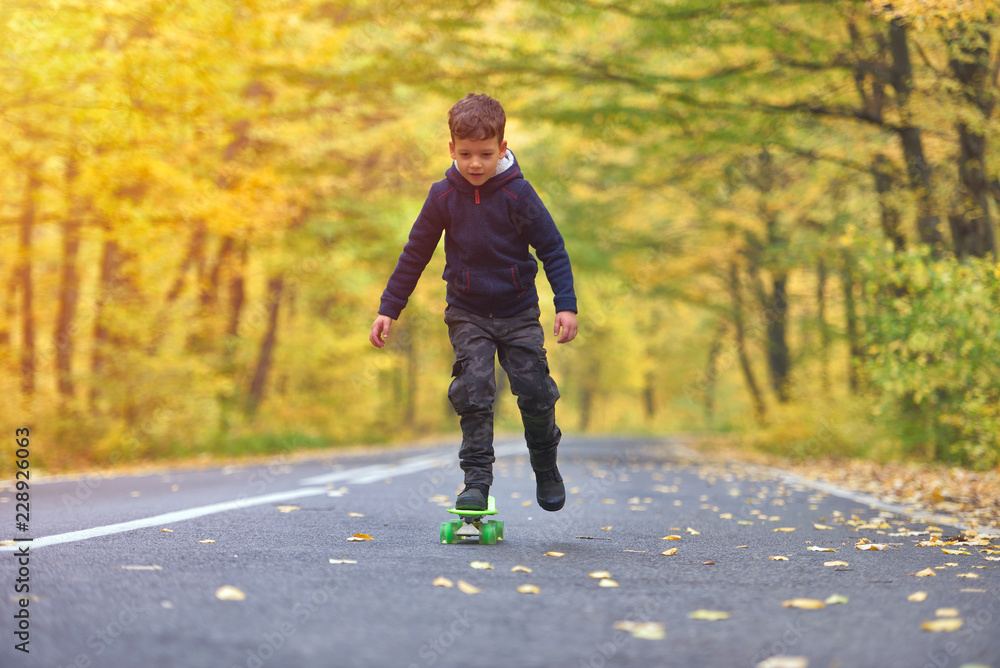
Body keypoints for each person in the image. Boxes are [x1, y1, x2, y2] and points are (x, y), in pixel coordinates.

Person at [368, 93, 578, 512]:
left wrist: (566, 304)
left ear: (502, 148)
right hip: (468, 313)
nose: (475, 164)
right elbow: (416, 253)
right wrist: (389, 308)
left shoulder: (518, 195)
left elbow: (552, 248)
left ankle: (545, 463)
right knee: (473, 389)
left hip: (518, 312)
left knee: (535, 390)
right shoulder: (443, 197)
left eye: (485, 153)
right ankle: (476, 482)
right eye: (465, 154)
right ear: (451, 149)